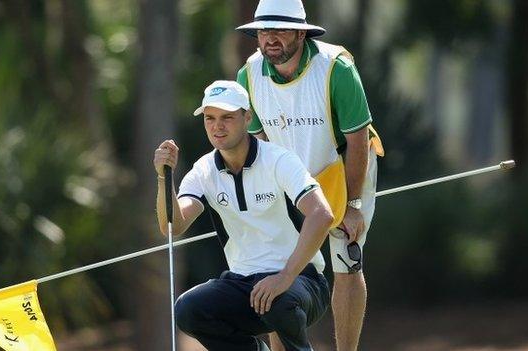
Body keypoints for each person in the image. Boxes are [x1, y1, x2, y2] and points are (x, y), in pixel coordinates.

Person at [235, 0, 384, 350]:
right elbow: (259, 144)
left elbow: (357, 139)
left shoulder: (336, 68)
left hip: (343, 167)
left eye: (280, 29)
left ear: (301, 32)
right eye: (263, 30)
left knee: (346, 259)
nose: (269, 38)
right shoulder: (249, 75)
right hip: (292, 176)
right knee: (275, 265)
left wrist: (353, 205)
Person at [154, 80, 334, 351]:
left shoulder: (278, 160)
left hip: (302, 281)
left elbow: (321, 214)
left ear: (247, 118)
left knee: (278, 301)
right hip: (243, 285)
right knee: (189, 309)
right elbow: (173, 225)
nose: (217, 126)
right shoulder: (204, 170)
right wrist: (162, 178)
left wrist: (284, 277)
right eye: (210, 118)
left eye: (227, 117)